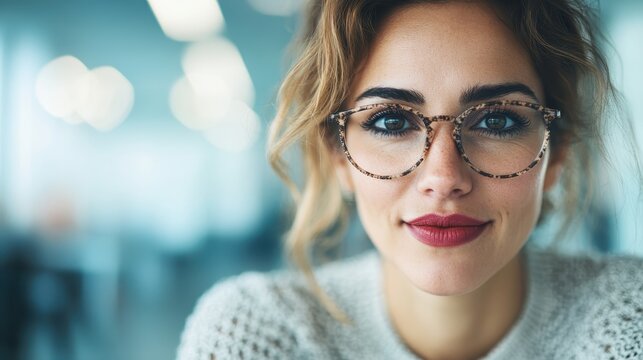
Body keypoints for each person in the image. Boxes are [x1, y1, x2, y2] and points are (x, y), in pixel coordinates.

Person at [177, 0, 643, 359]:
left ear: (555, 151)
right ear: (337, 155)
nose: (443, 179)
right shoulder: (255, 334)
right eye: (392, 122)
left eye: (498, 121)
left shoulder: (627, 320)